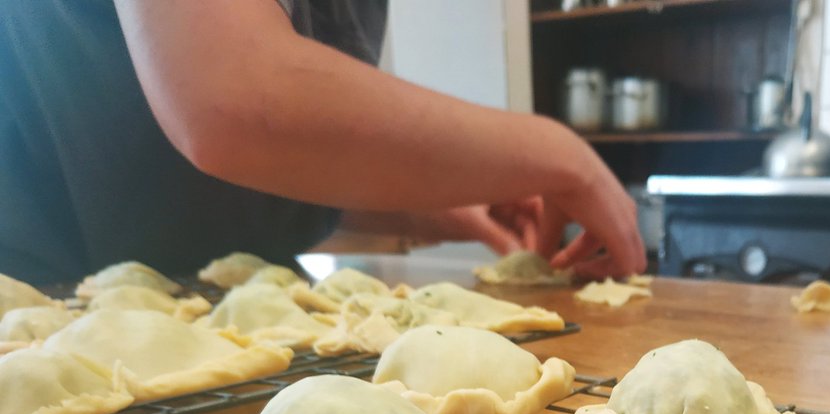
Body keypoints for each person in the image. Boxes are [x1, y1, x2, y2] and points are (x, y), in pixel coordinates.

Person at [0, 0, 645, 285]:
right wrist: (559, 154)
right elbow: (234, 95)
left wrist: (427, 204)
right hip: (44, 322)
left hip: (215, 321)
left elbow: (253, 150)